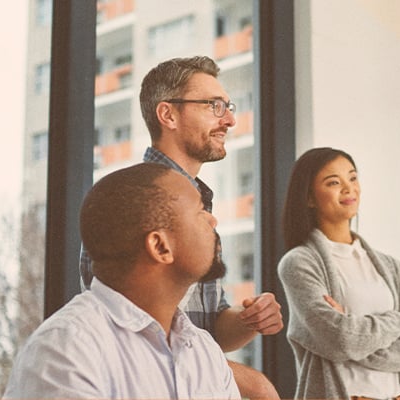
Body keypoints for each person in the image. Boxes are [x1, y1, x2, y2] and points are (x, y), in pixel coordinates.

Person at [76, 55, 283, 398]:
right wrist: (256, 385)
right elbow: (131, 334)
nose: (229, 119)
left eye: (228, 106)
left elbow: (210, 326)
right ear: (168, 114)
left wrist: (249, 321)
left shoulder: (202, 210)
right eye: (214, 106)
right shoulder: (127, 202)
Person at [3, 163, 240, 398]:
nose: (213, 221)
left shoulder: (203, 351)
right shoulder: (66, 349)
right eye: (200, 211)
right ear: (160, 246)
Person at [277, 147, 400, 400]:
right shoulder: (298, 263)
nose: (349, 188)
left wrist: (355, 331)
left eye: (352, 178)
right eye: (333, 182)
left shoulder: (391, 267)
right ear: (309, 198)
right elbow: (342, 340)